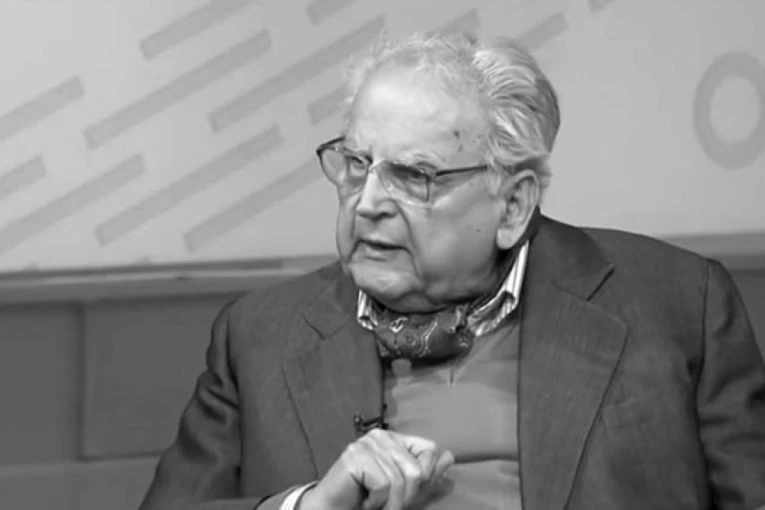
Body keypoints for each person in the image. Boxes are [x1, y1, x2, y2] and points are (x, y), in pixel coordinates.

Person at [139, 31, 765, 510]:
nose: (369, 202)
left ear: (511, 206)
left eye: (414, 176)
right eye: (357, 164)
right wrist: (310, 506)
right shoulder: (259, 337)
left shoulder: (675, 304)